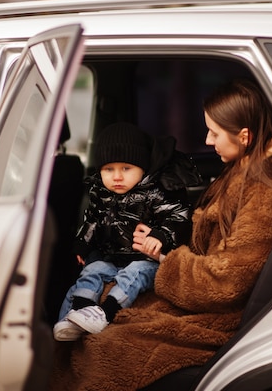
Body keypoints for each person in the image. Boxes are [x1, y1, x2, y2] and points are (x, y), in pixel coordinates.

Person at [49, 79, 272, 390]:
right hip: (195, 293)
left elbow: (227, 281)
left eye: (215, 133)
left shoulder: (266, 193)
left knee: (106, 347)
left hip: (219, 313)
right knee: (95, 310)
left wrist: (163, 258)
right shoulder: (243, 171)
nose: (208, 140)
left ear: (245, 136)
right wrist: (160, 240)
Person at [52, 121, 194, 341]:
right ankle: (80, 311)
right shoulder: (100, 192)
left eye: (126, 169)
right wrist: (83, 243)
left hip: (145, 259)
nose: (116, 177)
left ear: (142, 168)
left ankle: (106, 311)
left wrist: (161, 235)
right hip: (111, 257)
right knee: (93, 269)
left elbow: (178, 216)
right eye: (109, 169)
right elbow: (92, 221)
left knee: (134, 272)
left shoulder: (155, 191)